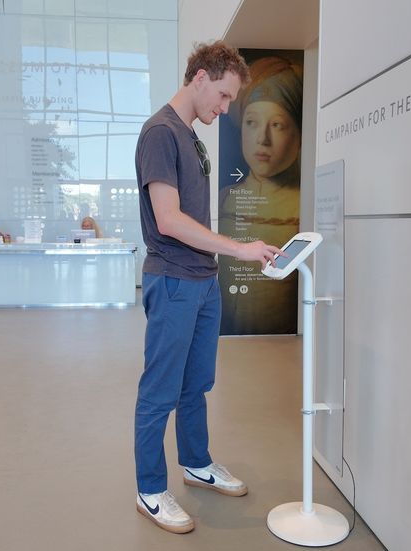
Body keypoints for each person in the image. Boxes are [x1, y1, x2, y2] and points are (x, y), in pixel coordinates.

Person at [133, 40, 283, 534]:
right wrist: (238, 249)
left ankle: (196, 462)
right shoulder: (160, 133)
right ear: (200, 77)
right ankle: (151, 491)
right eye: (221, 97)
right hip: (173, 279)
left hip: (202, 281)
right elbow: (169, 219)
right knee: (160, 392)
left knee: (196, 384)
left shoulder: (192, 136)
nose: (223, 110)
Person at [218, 55, 303, 335]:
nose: (262, 139)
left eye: (277, 125)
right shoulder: (225, 198)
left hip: (280, 349)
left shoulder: (304, 205)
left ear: (299, 135)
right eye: (252, 122)